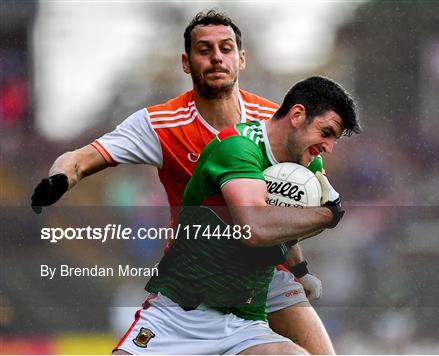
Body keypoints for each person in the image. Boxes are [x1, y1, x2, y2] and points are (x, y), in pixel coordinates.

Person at [31, 10, 343, 354]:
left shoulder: (277, 124)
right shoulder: (160, 124)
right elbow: (81, 158)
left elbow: (302, 195)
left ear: (241, 60)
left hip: (265, 277)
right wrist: (58, 179)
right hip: (196, 281)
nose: (216, 58)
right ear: (186, 62)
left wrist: (300, 267)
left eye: (226, 49)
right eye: (204, 50)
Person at [113, 75, 361, 354]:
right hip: (183, 311)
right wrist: (327, 216)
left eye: (334, 139)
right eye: (326, 133)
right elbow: (255, 228)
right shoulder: (237, 147)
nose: (328, 147)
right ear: (297, 115)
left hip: (243, 318)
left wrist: (300, 271)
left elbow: (284, 222)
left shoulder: (307, 161)